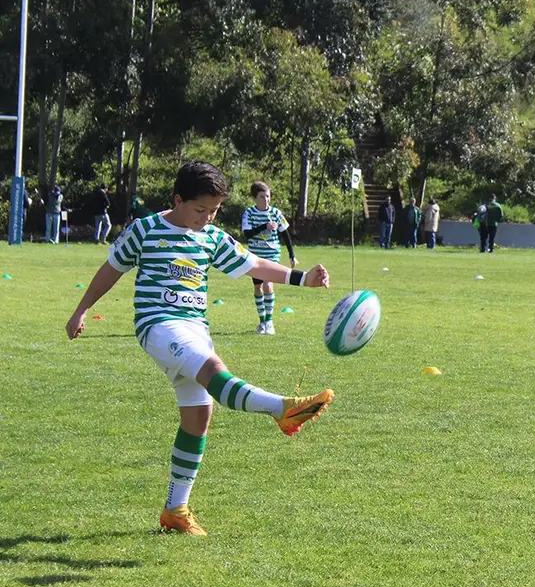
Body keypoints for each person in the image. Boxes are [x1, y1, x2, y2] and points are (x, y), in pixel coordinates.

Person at [64, 161, 335, 537]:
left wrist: (301, 278)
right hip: (158, 325)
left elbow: (252, 263)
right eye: (201, 209)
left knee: (198, 418)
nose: (207, 218)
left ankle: (176, 510)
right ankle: (282, 409)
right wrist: (82, 310)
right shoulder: (144, 230)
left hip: (195, 328)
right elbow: (111, 269)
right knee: (213, 369)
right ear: (178, 199)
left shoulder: (209, 236)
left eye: (215, 210)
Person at [241, 182, 296, 335]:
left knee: (267, 284)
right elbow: (247, 234)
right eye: (262, 197)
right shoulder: (249, 213)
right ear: (254, 198)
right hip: (255, 256)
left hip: (272, 254)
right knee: (258, 287)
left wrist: (292, 255)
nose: (266, 200)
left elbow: (285, 234)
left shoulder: (276, 213)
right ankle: (262, 322)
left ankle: (269, 322)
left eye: (268, 196)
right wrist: (263, 227)